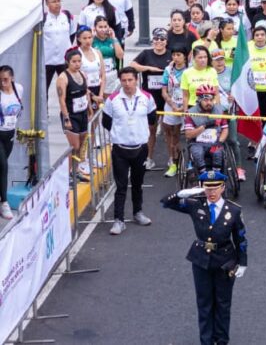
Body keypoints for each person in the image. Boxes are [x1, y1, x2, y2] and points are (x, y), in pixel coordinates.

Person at [161, 170, 247, 345]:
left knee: (223, 304)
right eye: (208, 188)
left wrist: (243, 263)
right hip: (201, 259)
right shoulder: (196, 205)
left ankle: (222, 340)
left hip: (225, 260)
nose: (212, 192)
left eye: (216, 188)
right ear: (202, 188)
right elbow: (166, 203)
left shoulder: (234, 210)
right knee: (204, 303)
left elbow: (241, 239)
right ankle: (206, 341)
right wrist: (181, 193)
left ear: (223, 188)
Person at [103, 68, 158, 235]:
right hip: (120, 149)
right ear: (120, 81)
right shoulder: (113, 100)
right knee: (120, 187)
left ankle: (137, 213)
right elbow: (106, 122)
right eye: (124, 80)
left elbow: (152, 118)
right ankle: (118, 220)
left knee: (137, 183)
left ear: (136, 80)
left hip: (140, 148)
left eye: (130, 80)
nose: (127, 84)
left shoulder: (147, 98)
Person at [56, 49, 93, 182]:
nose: (77, 64)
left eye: (79, 61)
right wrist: (66, 118)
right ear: (68, 62)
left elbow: (86, 92)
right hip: (71, 115)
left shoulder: (82, 74)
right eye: (74, 62)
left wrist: (89, 109)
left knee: (81, 144)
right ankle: (67, 174)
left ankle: (75, 170)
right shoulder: (63, 77)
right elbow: (61, 99)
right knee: (74, 147)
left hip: (82, 112)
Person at [184, 86, 229, 173]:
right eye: (205, 100)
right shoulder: (191, 113)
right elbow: (188, 134)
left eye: (211, 100)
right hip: (198, 143)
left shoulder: (220, 111)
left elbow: (225, 129)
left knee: (218, 152)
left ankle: (217, 174)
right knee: (198, 153)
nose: (209, 102)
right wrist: (204, 126)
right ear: (199, 100)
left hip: (214, 142)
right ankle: (202, 173)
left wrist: (220, 141)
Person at [0, 66, 24, 219]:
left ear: (12, 78)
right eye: (0, 80)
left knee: (0, 168)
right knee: (3, 165)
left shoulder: (19, 89)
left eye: (6, 80)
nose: (3, 83)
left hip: (9, 134)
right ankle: (5, 203)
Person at [42, 0, 75, 91]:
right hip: (47, 60)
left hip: (64, 59)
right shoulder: (43, 19)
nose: (57, 3)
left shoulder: (67, 16)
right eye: (53, 2)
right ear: (47, 4)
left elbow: (72, 34)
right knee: (44, 90)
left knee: (68, 88)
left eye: (58, 1)